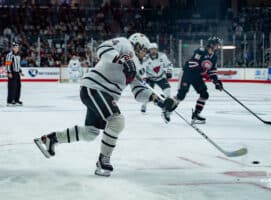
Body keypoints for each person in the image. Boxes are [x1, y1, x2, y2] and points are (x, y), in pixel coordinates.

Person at [34, 33, 177, 177]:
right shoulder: (125, 44)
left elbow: (139, 92)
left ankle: (51, 139)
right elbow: (102, 49)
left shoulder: (139, 66)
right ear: (137, 44)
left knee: (90, 133)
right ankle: (103, 160)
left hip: (103, 93)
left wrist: (160, 102)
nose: (144, 53)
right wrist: (125, 59)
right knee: (116, 120)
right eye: (144, 49)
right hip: (95, 87)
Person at [173, 37, 223, 124]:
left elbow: (212, 70)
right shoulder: (201, 51)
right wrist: (205, 73)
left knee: (204, 94)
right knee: (181, 95)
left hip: (197, 77)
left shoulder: (214, 56)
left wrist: (216, 81)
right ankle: (168, 109)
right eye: (217, 45)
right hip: (188, 74)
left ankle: (196, 114)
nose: (218, 47)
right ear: (211, 44)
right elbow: (193, 63)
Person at [140, 43, 173, 120]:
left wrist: (169, 71)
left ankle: (168, 107)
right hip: (150, 78)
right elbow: (142, 69)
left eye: (155, 49)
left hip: (161, 77)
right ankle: (144, 105)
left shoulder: (163, 56)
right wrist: (141, 75)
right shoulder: (145, 59)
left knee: (168, 91)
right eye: (152, 50)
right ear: (149, 51)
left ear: (157, 50)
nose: (153, 51)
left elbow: (169, 64)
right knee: (147, 94)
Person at [5, 42, 23, 106]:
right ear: (13, 48)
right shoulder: (10, 55)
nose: (16, 48)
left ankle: (16, 100)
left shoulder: (18, 55)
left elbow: (18, 65)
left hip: (17, 73)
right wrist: (8, 72)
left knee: (18, 86)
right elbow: (7, 64)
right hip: (12, 72)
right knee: (11, 87)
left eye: (17, 47)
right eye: (15, 47)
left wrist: (20, 71)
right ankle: (9, 101)